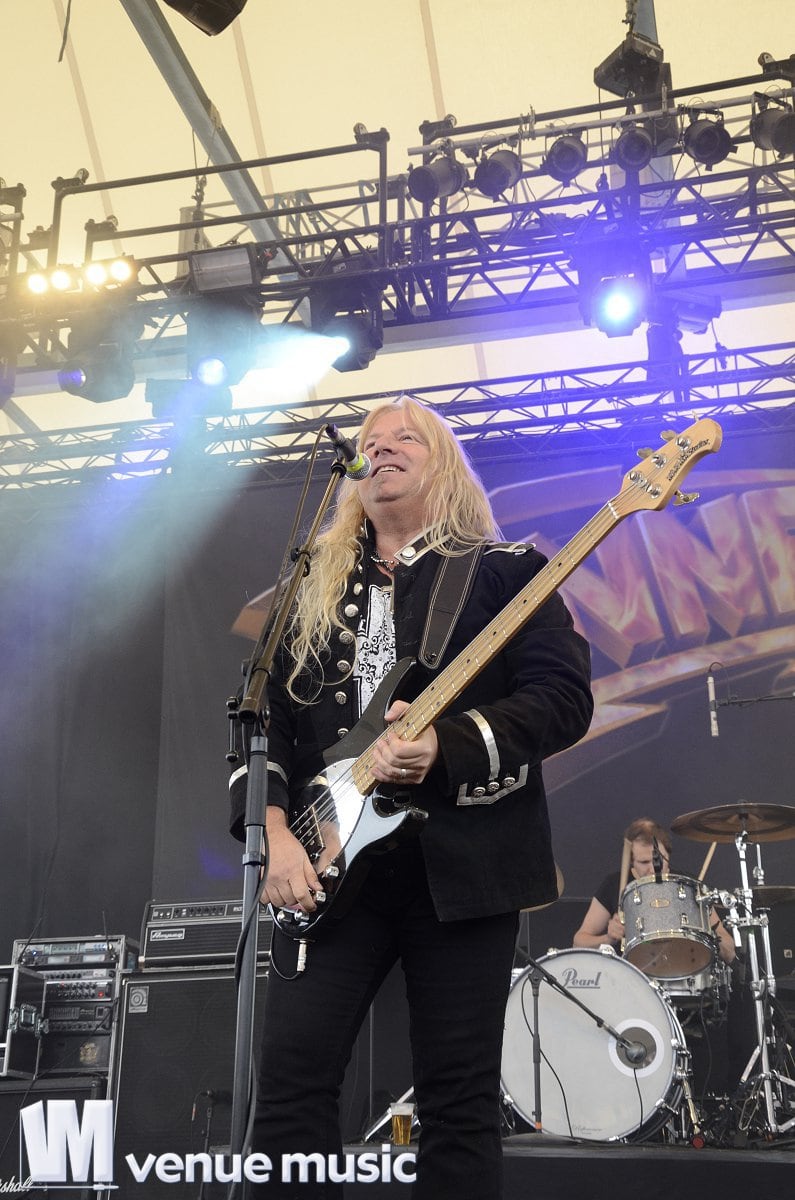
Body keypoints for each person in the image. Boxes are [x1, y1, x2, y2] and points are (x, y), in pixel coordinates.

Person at [229, 396, 593, 1198]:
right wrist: (276, 836)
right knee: (287, 1086)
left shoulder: (507, 572)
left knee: (457, 1100)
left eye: (406, 439)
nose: (382, 447)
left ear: (444, 467)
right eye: (371, 440)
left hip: (464, 866)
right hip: (326, 869)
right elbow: (265, 727)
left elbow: (563, 700)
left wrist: (445, 745)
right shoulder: (309, 589)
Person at [573, 817, 736, 965]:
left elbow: (729, 952)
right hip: (632, 976)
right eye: (644, 862)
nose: (653, 869)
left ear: (668, 854)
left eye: (658, 859)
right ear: (631, 861)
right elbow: (578, 942)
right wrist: (608, 938)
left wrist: (708, 934)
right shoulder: (614, 884)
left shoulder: (689, 886)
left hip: (685, 970)